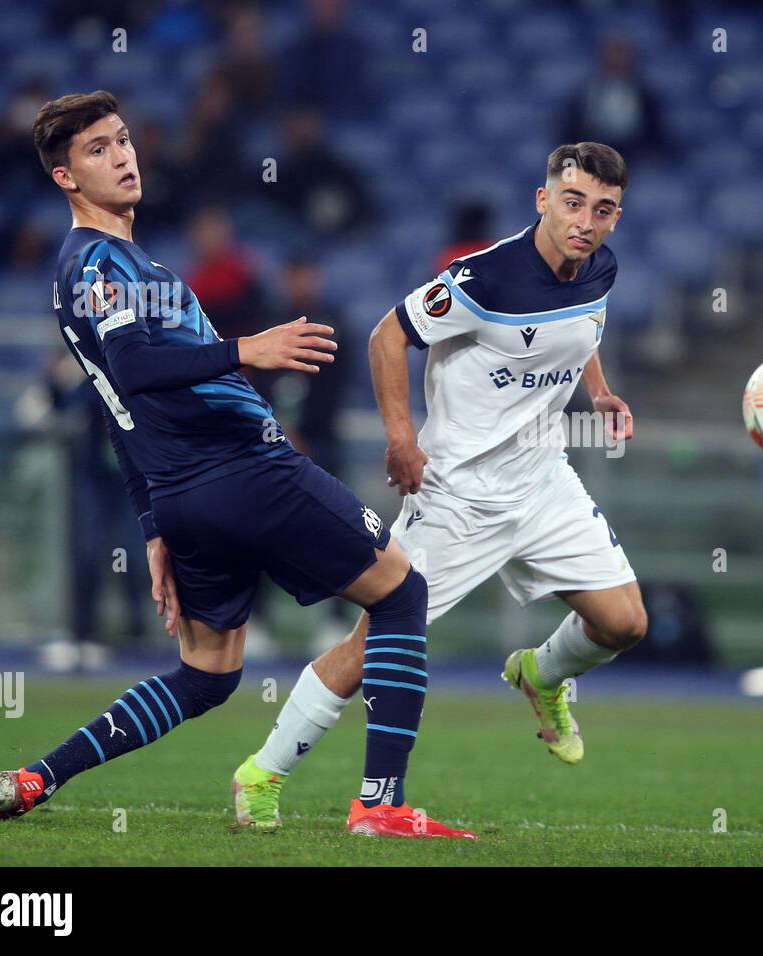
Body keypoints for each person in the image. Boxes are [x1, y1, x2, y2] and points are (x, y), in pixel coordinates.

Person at [0, 90, 473, 840]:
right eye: (97, 150)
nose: (122, 155)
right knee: (400, 595)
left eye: (123, 139)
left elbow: (113, 404)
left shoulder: (110, 262)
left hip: (182, 496)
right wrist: (247, 349)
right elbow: (133, 369)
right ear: (65, 179)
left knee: (207, 675)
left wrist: (152, 523)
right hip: (243, 468)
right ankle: (381, 805)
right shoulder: (98, 260)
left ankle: (41, 774)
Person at [230, 143, 647, 826]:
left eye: (602, 210)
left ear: (615, 217)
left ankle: (540, 674)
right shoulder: (484, 278)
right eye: (572, 203)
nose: (585, 221)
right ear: (543, 201)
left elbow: (581, 327)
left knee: (624, 622)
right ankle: (261, 773)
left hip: (543, 482)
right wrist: (401, 438)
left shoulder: (600, 266)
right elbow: (386, 337)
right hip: (457, 494)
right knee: (372, 645)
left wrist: (598, 393)